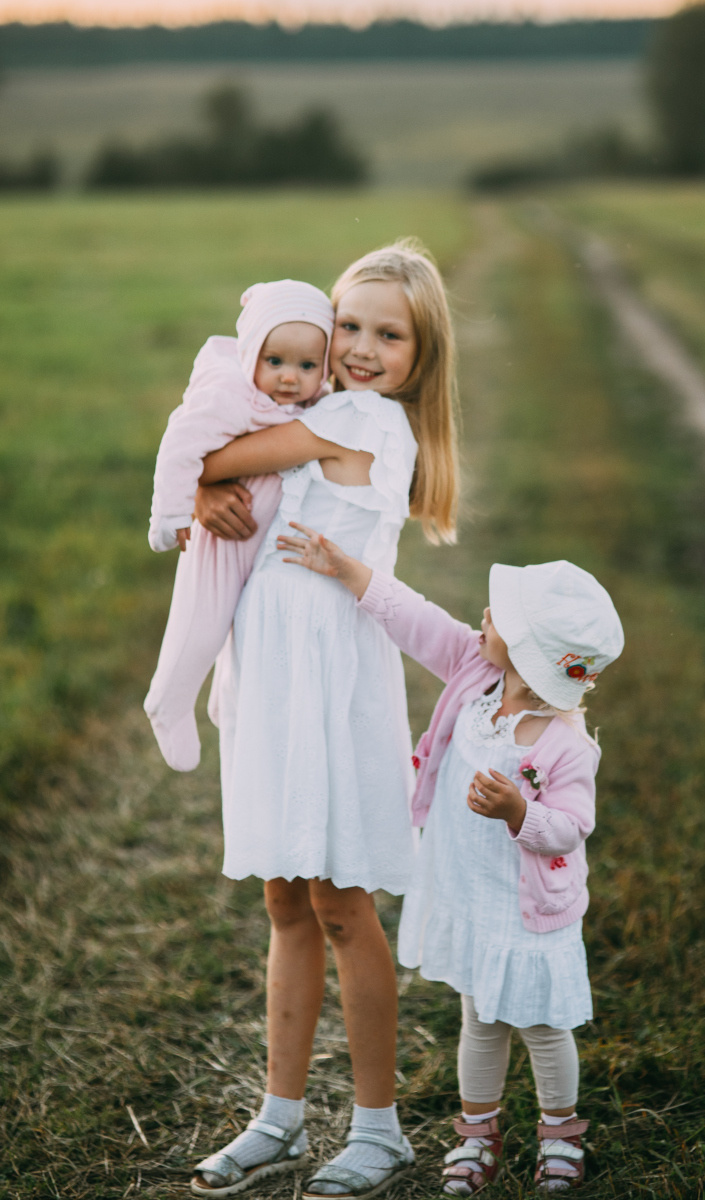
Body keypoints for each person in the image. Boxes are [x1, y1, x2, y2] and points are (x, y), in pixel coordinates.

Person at [188, 240, 460, 1199]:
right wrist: (213, 497)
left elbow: (213, 451)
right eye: (348, 326)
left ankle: (379, 1131)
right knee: (284, 900)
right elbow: (233, 476)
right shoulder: (320, 412)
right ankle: (281, 1117)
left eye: (390, 336)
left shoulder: (359, 419)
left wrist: (204, 480)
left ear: (420, 358)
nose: (360, 349)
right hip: (274, 677)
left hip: (328, 684)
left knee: (343, 905)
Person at [277, 523, 624, 1194]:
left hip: (528, 913)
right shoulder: (476, 669)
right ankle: (477, 1133)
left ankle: (560, 1135)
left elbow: (573, 826)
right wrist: (349, 571)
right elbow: (415, 619)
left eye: (503, 617)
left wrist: (519, 813)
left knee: (542, 1027)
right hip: (471, 897)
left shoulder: (564, 743)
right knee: (480, 1019)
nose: (485, 614)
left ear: (530, 653)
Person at [145, 279, 335, 771]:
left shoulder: (317, 403)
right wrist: (171, 515)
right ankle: (168, 700)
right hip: (222, 535)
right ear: (251, 353)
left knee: (247, 622)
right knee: (203, 623)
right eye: (275, 361)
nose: (289, 377)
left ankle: (222, 699)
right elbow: (181, 445)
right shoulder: (232, 394)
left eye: (307, 366)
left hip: (261, 537)